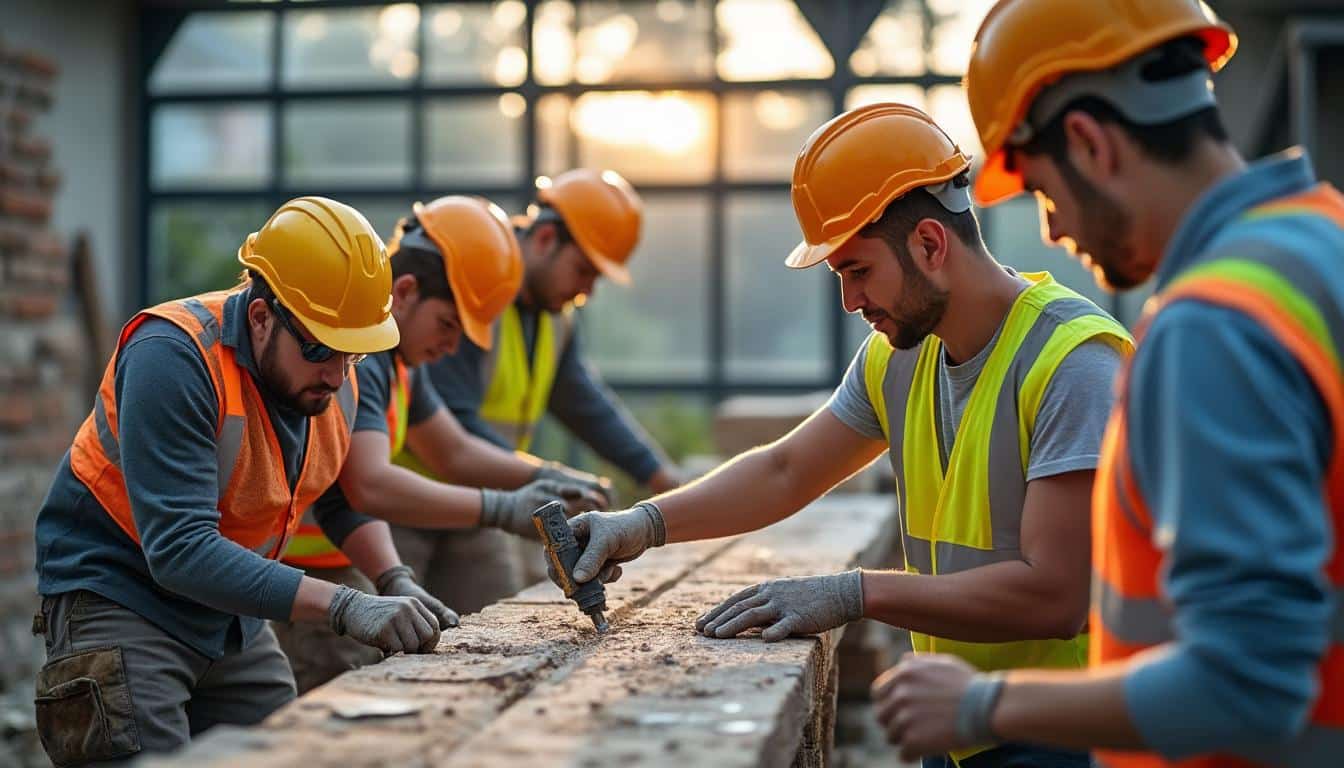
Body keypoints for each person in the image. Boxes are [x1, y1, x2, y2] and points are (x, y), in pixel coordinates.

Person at [560, 105, 1131, 768]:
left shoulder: (1073, 363)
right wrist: (642, 524)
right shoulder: (900, 356)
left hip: (1064, 736)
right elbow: (786, 471)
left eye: (857, 271)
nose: (850, 303)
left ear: (929, 245)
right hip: (955, 728)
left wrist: (854, 593)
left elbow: (1055, 596)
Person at [872, 2, 1344, 766]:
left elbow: (1247, 684)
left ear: (1089, 143)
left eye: (1044, 192)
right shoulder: (1322, 244)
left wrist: (981, 704)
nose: (1055, 231)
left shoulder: (1214, 325)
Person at [31, 198, 444, 764]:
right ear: (260, 317)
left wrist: (394, 579)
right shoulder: (172, 357)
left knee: (280, 750)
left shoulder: (333, 376)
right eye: (321, 347)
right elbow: (178, 550)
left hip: (227, 611)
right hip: (120, 595)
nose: (335, 372)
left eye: (351, 354)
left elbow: (337, 499)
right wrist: (346, 604)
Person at [274, 195, 607, 692]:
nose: (452, 347)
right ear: (404, 292)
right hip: (304, 574)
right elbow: (369, 484)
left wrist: (546, 477)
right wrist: (500, 508)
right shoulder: (365, 359)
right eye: (448, 325)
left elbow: (452, 450)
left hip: (341, 562)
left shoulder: (402, 363)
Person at [395, 169, 681, 611]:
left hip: (485, 503)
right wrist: (549, 478)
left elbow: (585, 404)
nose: (587, 289)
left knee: (492, 618)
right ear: (546, 238)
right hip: (405, 501)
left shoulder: (555, 319)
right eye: (583, 269)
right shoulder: (472, 292)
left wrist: (662, 478)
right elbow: (455, 426)